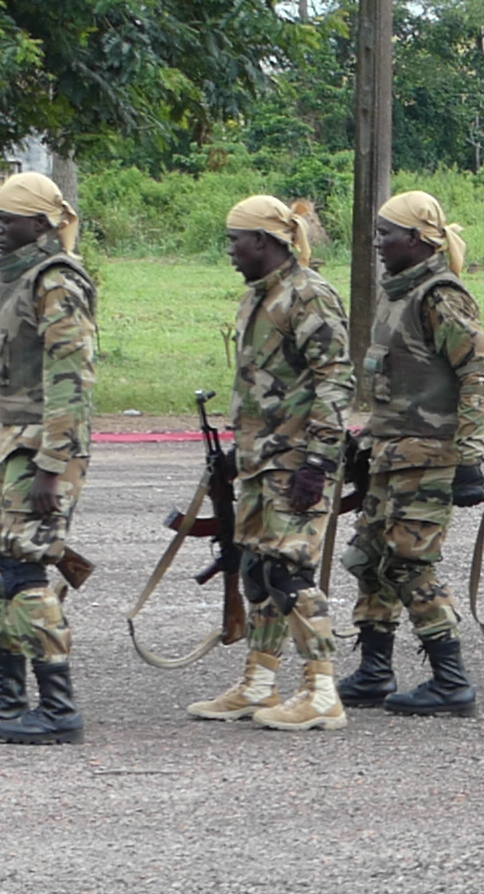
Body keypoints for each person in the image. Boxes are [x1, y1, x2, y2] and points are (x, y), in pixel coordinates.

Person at [189, 196, 353, 730]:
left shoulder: (309, 296)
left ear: (262, 241)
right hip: (262, 460)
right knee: (259, 572)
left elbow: (335, 381)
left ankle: (322, 690)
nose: (230, 250)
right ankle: (260, 682)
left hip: (297, 460)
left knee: (290, 572)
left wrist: (319, 461)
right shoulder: (260, 297)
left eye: (236, 239)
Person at [334, 192, 484, 717]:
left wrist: (469, 456)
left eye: (387, 234)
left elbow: (474, 376)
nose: (377, 243)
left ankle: (451, 679)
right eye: (376, 232)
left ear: (419, 240)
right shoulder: (396, 294)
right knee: (369, 559)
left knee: (409, 562)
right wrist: (366, 439)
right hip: (391, 455)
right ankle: (375, 670)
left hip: (430, 457)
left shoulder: (439, 297)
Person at [0, 173, 94, 745]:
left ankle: (58, 708)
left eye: (6, 219)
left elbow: (72, 378)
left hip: (40, 448)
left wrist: (52, 465)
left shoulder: (56, 282)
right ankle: (8, 698)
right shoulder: (11, 276)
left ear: (39, 224)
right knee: (3, 575)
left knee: (26, 571)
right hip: (10, 439)